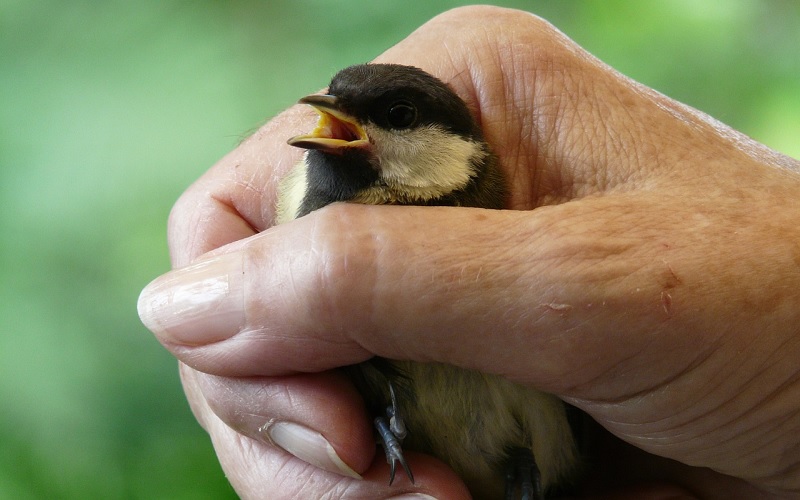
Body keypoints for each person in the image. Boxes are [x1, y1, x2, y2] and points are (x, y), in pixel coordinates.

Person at [137, 6, 800, 499]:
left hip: (540, 460)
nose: (349, 123)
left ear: (459, 149)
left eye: (395, 120)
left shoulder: (499, 204)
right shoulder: (297, 204)